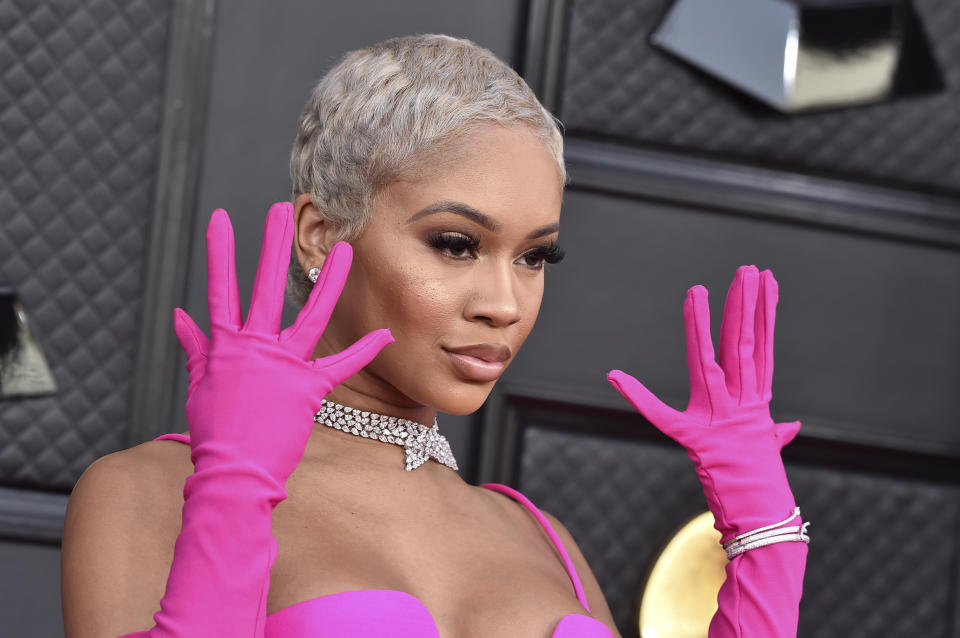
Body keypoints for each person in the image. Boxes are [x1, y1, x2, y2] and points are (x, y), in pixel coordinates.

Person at [60, 34, 808, 638]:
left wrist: (765, 537)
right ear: (320, 234)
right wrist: (235, 489)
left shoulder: (542, 538)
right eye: (455, 244)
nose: (503, 303)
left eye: (534, 256)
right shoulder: (151, 492)